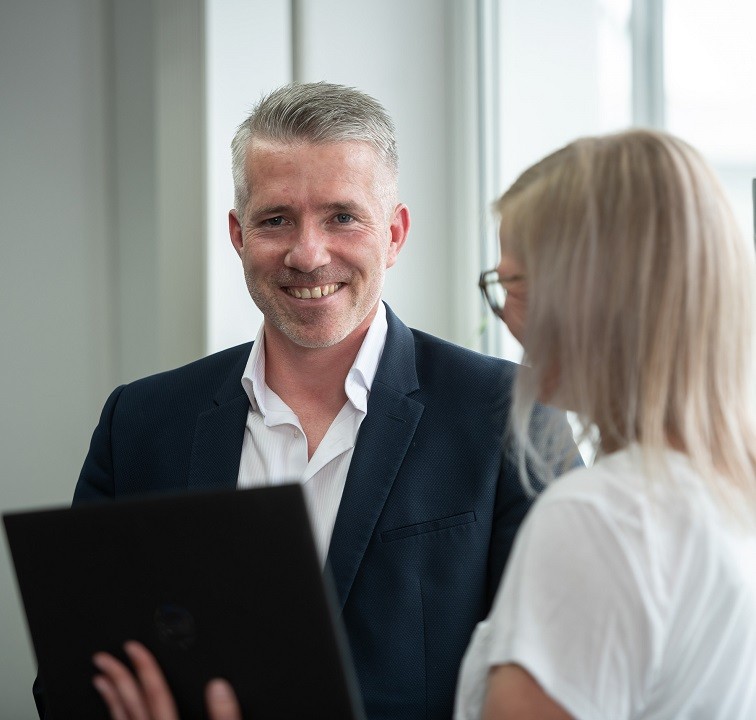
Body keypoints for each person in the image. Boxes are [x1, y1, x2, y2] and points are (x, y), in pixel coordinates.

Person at [34, 82, 577, 720]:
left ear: (395, 234)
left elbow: (566, 677)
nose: (307, 254)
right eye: (276, 220)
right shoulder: (141, 424)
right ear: (238, 235)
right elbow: (70, 684)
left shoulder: (508, 414)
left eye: (342, 216)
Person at [454, 129, 756, 718]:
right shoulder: (732, 495)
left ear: (588, 299)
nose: (504, 313)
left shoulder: (601, 518)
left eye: (512, 282)